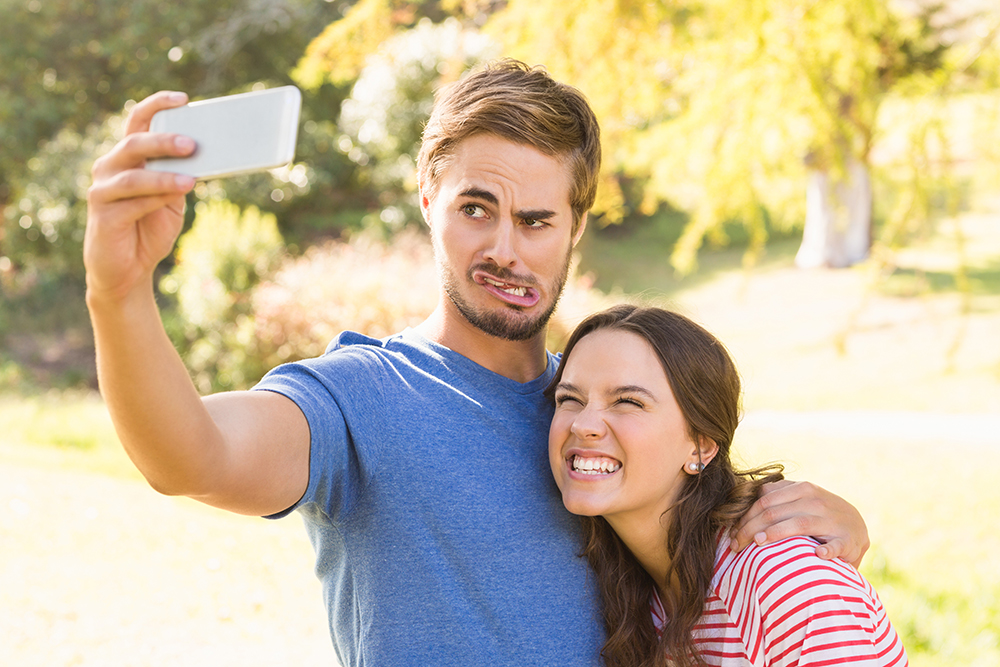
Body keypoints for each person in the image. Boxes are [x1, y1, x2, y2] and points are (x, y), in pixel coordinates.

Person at [84, 59, 870, 665]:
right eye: (475, 209)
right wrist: (118, 293)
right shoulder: (359, 396)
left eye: (535, 220)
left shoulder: (602, 420)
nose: (505, 249)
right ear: (428, 198)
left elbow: (730, 553)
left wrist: (837, 527)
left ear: (575, 226)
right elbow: (191, 455)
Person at [547, 304, 907, 667]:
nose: (583, 424)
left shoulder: (786, 582)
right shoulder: (633, 591)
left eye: (628, 401)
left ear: (702, 444)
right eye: (569, 399)